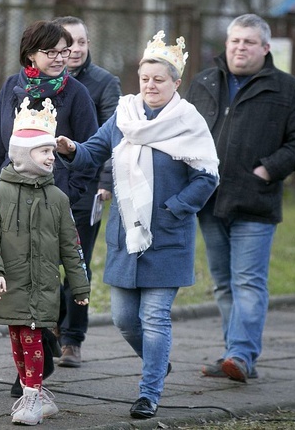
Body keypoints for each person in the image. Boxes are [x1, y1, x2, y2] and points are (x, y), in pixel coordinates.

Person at [56, 32, 219, 419]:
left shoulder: (188, 122)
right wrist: (71, 149)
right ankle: (157, 362)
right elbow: (95, 151)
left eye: (159, 80)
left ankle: (149, 392)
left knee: (155, 317)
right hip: (126, 235)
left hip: (167, 235)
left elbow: (207, 176)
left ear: (176, 83)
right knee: (124, 319)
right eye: (145, 78)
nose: (150, 86)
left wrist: (175, 208)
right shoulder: (124, 114)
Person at [183, 13, 295, 383]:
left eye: (249, 42)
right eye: (235, 41)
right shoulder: (204, 81)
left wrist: (268, 170)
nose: (240, 48)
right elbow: (182, 131)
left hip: (255, 202)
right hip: (209, 199)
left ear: (265, 48)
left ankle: (241, 355)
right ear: (226, 44)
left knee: (248, 282)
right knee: (224, 283)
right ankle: (235, 355)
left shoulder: (287, 89)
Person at [0, 20, 99, 394]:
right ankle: (36, 358)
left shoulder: (76, 94)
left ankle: (38, 357)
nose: (62, 57)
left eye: (66, 51)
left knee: (48, 281)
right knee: (18, 278)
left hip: (55, 204)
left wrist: (71, 197)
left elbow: (90, 153)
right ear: (31, 54)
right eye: (52, 52)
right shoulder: (10, 88)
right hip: (9, 202)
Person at [0, 96, 91, 426]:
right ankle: (36, 396)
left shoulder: (58, 198)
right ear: (25, 155)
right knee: (17, 337)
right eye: (44, 152)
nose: (51, 157)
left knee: (32, 338)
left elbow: (72, 246)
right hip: (9, 284)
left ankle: (32, 398)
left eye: (52, 152)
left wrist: (79, 285)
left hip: (41, 286)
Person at [52, 16, 121, 368]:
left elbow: (114, 138)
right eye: (68, 43)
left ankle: (73, 338)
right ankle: (50, 328)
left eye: (81, 42)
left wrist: (105, 182)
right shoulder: (44, 81)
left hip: (86, 190)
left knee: (76, 263)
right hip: (47, 188)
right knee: (45, 262)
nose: (75, 49)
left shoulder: (105, 84)